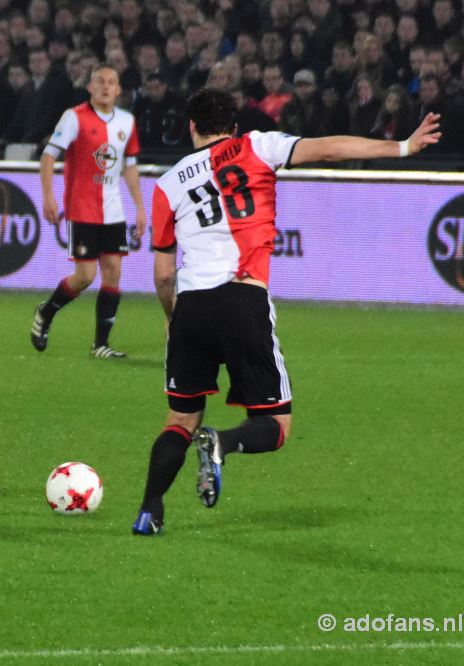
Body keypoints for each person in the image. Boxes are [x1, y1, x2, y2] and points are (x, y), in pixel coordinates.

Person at [132, 88, 441, 535]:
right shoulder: (257, 145)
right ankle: (223, 442)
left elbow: (163, 273)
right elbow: (330, 148)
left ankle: (148, 510)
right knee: (275, 423)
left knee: (180, 419)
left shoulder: (168, 182)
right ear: (232, 127)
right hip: (241, 298)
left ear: (191, 127)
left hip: (192, 306)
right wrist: (403, 147)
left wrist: (171, 314)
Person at [30, 63, 146, 359]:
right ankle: (46, 311)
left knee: (113, 273)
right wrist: (48, 196)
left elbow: (129, 166)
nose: (106, 86)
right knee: (84, 275)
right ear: (90, 87)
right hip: (82, 208)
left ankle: (101, 345)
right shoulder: (74, 118)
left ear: (119, 90)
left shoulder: (126, 122)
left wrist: (140, 208)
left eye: (111, 82)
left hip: (114, 210)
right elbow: (48, 156)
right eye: (100, 81)